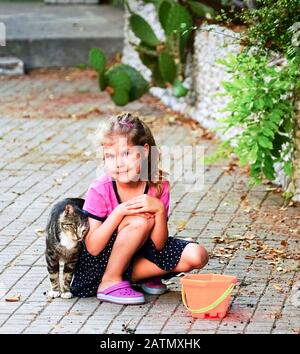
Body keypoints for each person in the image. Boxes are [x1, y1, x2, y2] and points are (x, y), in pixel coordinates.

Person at [70, 112, 209, 304]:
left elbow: (158, 245)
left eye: (126, 154)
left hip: (141, 254)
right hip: (100, 264)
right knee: (140, 219)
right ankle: (110, 282)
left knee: (197, 255)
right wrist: (119, 213)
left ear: (144, 152)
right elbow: (93, 247)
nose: (118, 163)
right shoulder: (100, 189)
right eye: (109, 156)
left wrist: (159, 210)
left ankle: (139, 277)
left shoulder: (158, 185)